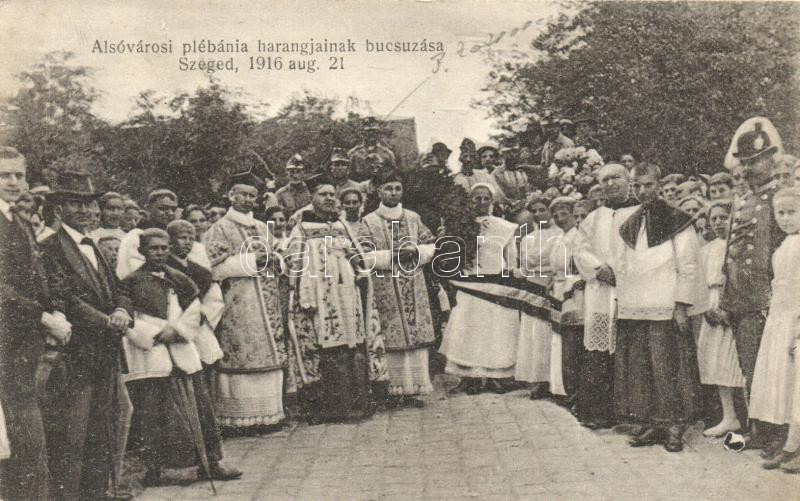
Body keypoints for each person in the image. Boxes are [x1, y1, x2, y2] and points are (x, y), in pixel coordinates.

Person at [38, 169, 135, 500]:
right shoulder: (50, 247)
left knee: (101, 427)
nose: (85, 210)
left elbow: (119, 288)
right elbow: (63, 297)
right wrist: (105, 321)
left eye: (89, 204)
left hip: (105, 350)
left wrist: (122, 310)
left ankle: (97, 493)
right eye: (75, 204)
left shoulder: (92, 243)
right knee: (72, 433)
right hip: (76, 353)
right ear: (59, 208)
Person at [121, 228, 240, 486]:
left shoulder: (180, 279)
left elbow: (195, 310)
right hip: (152, 353)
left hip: (181, 347)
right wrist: (154, 333)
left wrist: (178, 331)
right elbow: (128, 317)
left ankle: (210, 463)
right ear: (142, 251)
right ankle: (155, 470)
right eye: (153, 248)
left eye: (164, 248)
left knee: (200, 409)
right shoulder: (130, 282)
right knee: (155, 414)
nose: (160, 253)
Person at [614, 162, 706, 452]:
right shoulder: (630, 222)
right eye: (637, 186)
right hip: (636, 308)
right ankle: (654, 423)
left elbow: (688, 266)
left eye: (648, 185)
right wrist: (622, 304)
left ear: (659, 184)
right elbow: (624, 267)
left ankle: (675, 425)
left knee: (668, 369)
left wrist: (681, 305)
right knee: (643, 369)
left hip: (666, 307)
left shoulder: (678, 220)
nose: (642, 191)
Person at [285, 174, 387, 422]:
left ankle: (357, 403)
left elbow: (358, 258)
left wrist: (353, 260)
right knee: (327, 346)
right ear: (312, 197)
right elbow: (294, 263)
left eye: (332, 194)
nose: (329, 198)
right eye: (323, 194)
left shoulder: (341, 225)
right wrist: (305, 295)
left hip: (347, 295)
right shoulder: (302, 227)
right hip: (319, 298)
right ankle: (331, 408)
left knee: (353, 343)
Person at [0, 147, 69, 501]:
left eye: (19, 175)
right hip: (6, 344)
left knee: (28, 442)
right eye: (4, 175)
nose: (13, 182)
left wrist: (55, 311)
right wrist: (41, 317)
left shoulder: (19, 220)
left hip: (24, 345)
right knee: (20, 440)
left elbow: (38, 278)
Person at [204, 171, 288, 428]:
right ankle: (239, 418)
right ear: (230, 196)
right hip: (239, 302)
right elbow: (212, 268)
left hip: (268, 300)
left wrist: (277, 260)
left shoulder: (262, 227)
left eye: (253, 196)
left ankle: (270, 415)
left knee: (269, 354)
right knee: (241, 353)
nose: (248, 200)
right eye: (243, 194)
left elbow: (278, 254)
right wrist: (252, 261)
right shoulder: (219, 228)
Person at [720, 118, 786, 448]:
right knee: (749, 365)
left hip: (766, 297)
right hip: (741, 296)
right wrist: (726, 296)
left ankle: (776, 433)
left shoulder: (781, 199)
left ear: (771, 159)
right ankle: (757, 429)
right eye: (744, 162)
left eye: (755, 161)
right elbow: (730, 252)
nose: (747, 169)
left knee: (770, 367)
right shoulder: (743, 199)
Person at [361, 171, 437, 406]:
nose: (393, 193)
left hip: (414, 283)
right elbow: (363, 254)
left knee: (415, 337)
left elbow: (431, 244)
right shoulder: (369, 221)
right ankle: (392, 391)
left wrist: (416, 251)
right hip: (385, 286)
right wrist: (391, 256)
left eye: (397, 188)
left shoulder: (413, 218)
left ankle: (413, 389)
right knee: (390, 336)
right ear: (379, 191)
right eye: (388, 188)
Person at [572, 163, 638, 429]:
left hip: (631, 290)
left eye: (616, 178)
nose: (610, 184)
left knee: (629, 350)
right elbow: (580, 248)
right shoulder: (594, 217)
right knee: (598, 354)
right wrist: (599, 269)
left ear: (628, 180)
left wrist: (621, 273)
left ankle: (630, 414)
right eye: (605, 180)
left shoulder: (640, 212)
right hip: (600, 291)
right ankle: (599, 412)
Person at [439, 184, 520, 394]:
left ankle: (495, 377)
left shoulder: (504, 227)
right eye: (477, 198)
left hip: (495, 285)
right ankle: (469, 377)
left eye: (486, 198)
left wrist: (508, 281)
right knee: (468, 328)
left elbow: (511, 259)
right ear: (470, 200)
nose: (482, 203)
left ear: (492, 201)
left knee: (494, 330)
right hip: (469, 284)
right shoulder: (459, 224)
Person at [748, 188, 800, 469]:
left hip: (796, 320)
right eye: (781, 213)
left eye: (792, 212)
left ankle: (795, 446)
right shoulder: (785, 244)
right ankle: (787, 441)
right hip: (780, 319)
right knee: (784, 383)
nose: (786, 218)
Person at [696, 200, 746, 437]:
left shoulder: (740, 245)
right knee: (717, 362)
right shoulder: (706, 250)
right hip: (711, 304)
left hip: (734, 305)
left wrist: (730, 308)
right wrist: (707, 308)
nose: (718, 223)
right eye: (713, 218)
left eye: (723, 218)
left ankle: (749, 419)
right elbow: (699, 283)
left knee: (737, 362)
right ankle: (729, 417)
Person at [515, 194, 563, 399]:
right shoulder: (528, 238)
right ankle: (537, 380)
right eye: (533, 211)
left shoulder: (560, 234)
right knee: (534, 334)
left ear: (550, 211)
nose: (537, 214)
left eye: (542, 210)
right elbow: (524, 268)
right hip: (532, 287)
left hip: (552, 286)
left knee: (550, 333)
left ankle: (554, 381)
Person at [548, 196, 581, 403]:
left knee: (569, 340)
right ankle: (559, 387)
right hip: (558, 288)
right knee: (557, 338)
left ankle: (572, 391)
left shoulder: (578, 236)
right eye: (556, 215)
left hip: (572, 289)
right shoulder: (560, 237)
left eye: (564, 214)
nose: (560, 219)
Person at [116, 189, 179, 279]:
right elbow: (134, 268)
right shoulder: (137, 234)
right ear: (148, 209)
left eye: (173, 209)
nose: (169, 213)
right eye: (162, 208)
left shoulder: (172, 235)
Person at [348, 116, 397, 181]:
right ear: (362, 133)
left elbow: (393, 174)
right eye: (368, 131)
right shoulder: (353, 153)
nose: (372, 134)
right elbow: (348, 175)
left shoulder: (387, 154)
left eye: (374, 131)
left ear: (378, 133)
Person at [275, 154, 312, 218]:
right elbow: (271, 217)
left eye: (298, 171)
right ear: (287, 173)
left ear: (303, 172)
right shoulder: (280, 193)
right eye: (291, 172)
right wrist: (269, 226)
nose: (295, 175)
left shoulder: (311, 191)